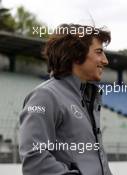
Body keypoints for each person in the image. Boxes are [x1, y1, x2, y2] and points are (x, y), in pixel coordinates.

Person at [19, 24, 112, 175]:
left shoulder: (89, 97)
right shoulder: (45, 96)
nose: (105, 60)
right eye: (99, 52)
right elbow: (35, 160)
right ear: (76, 54)